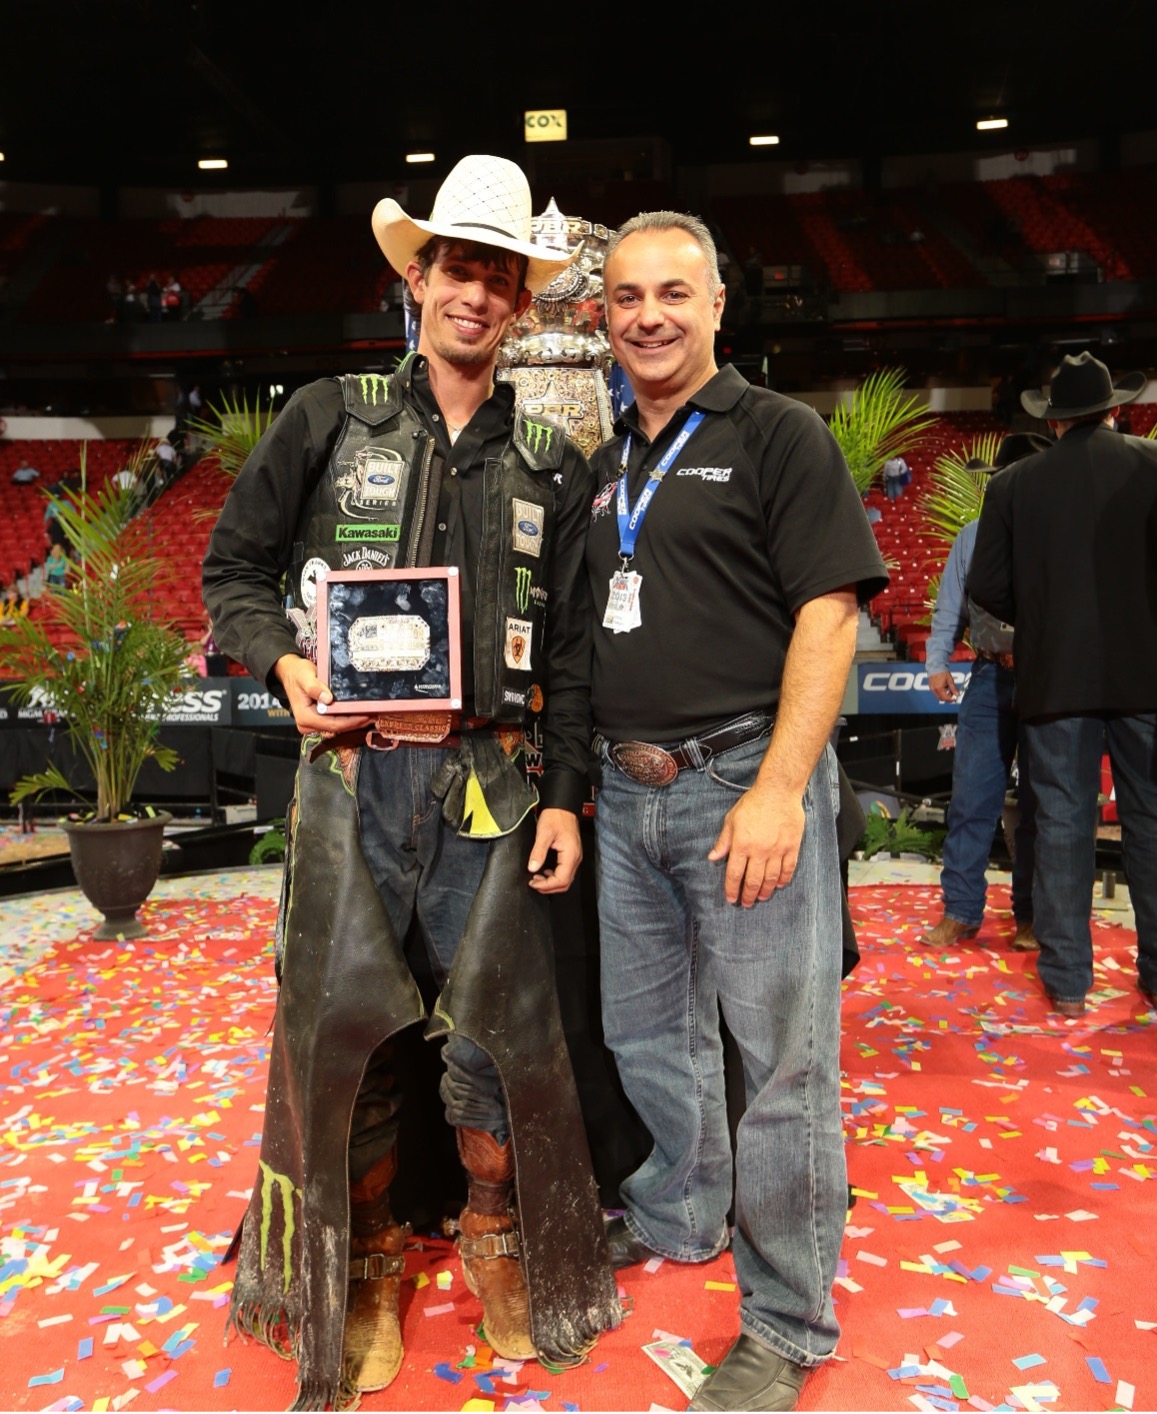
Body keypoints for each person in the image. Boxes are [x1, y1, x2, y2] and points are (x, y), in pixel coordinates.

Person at [202, 155, 619, 1409]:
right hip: (353, 782)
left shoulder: (555, 457)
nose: (476, 295)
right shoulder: (329, 417)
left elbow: (582, 655)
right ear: (419, 280)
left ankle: (492, 1227)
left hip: (496, 782)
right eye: (458, 270)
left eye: (499, 275)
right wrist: (283, 662)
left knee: (495, 1041)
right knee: (355, 1039)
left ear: (519, 301)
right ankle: (371, 1254)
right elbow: (234, 571)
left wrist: (562, 793)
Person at [586, 211, 888, 1413]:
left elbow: (831, 615)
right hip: (624, 791)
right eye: (625, 296)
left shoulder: (779, 434)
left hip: (739, 785)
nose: (648, 314)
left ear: (719, 306)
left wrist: (776, 790)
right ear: (602, 317)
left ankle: (786, 1320)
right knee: (648, 1037)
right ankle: (680, 1209)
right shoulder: (605, 456)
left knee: (782, 1065)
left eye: (674, 291)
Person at [968, 351, 1157, 1018]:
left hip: (1055, 682)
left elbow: (987, 587)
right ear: (1116, 409)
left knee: (1060, 826)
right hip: (1149, 681)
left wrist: (1048, 618)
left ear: (1053, 422)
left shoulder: (1015, 484)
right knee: (1155, 825)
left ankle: (1068, 983)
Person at [919, 433, 1049, 952]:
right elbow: (949, 605)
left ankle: (1032, 916)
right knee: (972, 798)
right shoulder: (972, 536)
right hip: (990, 673)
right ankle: (962, 911)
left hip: (1046, 677)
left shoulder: (1056, 539)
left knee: (1041, 805)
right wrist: (936, 661)